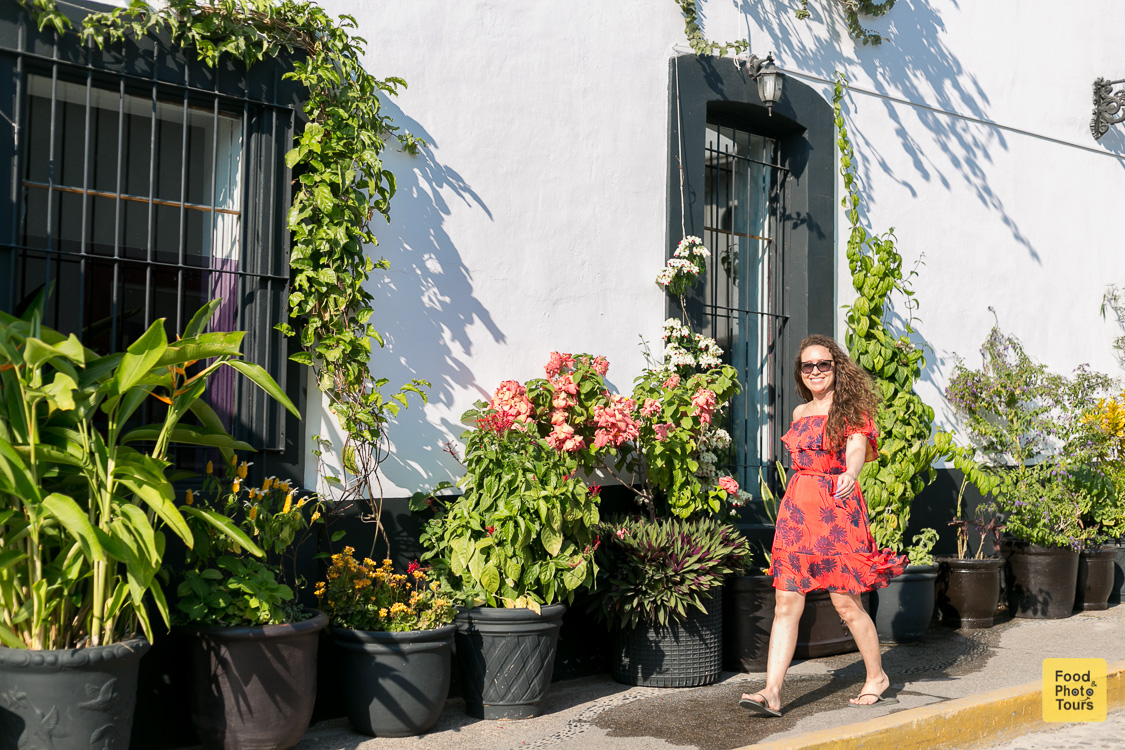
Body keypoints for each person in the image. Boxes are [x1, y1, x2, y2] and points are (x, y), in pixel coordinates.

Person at [740, 334, 907, 717]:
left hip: (835, 508)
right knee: (786, 601)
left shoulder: (850, 410)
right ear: (800, 372)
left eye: (823, 364)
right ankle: (772, 691)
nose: (815, 371)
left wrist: (850, 471)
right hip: (798, 511)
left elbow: (856, 445)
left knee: (845, 603)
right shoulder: (800, 414)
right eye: (807, 365)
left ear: (836, 368)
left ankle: (876, 676)